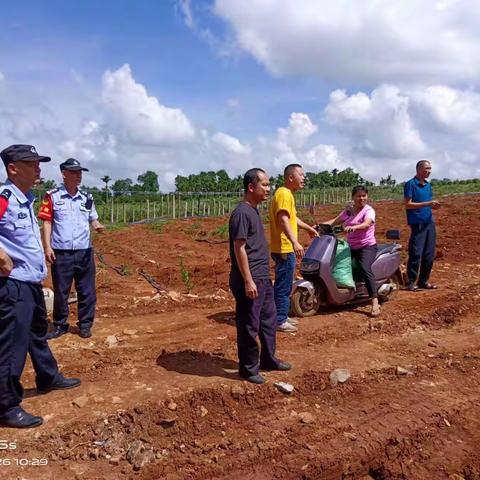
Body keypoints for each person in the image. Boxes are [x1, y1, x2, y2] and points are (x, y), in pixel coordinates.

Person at [0, 144, 81, 429]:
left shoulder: (26, 198)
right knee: (13, 345)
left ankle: (48, 376)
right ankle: (6, 406)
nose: (38, 168)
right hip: (12, 285)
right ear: (13, 168)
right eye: (32, 163)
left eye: (39, 162)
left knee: (37, 334)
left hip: (30, 282)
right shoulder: (4, 197)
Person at [229, 168, 291, 384]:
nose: (269, 189)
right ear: (251, 187)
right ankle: (248, 369)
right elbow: (240, 249)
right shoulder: (241, 213)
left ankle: (268, 359)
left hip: (262, 278)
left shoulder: (254, 211)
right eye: (265, 185)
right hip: (250, 279)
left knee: (268, 320)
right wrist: (248, 280)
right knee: (249, 325)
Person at [38, 158, 104, 339]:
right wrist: (47, 246)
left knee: (86, 290)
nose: (78, 176)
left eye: (80, 173)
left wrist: (97, 225)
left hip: (84, 251)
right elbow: (47, 222)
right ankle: (60, 325)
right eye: (74, 172)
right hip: (62, 252)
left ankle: (85, 324)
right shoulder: (52, 196)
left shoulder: (87, 197)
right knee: (61, 291)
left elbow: (93, 218)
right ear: (64, 174)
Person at [269, 164, 318, 333]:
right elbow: (283, 219)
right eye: (301, 175)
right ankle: (279, 320)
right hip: (284, 247)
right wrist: (295, 242)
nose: (304, 178)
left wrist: (308, 228)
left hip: (283, 246)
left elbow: (292, 218)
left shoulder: (286, 194)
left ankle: (281, 315)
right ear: (291, 178)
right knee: (283, 285)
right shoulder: (283, 194)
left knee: (284, 283)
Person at [320, 185, 380, 317]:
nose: (361, 198)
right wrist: (319, 226)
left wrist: (354, 227)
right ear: (353, 197)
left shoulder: (369, 210)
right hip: (351, 247)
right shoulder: (349, 211)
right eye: (358, 196)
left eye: (364, 195)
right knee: (333, 262)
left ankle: (374, 301)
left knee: (365, 268)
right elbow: (335, 221)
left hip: (367, 247)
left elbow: (367, 223)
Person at [404, 160, 440, 291]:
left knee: (429, 254)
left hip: (429, 222)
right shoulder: (410, 184)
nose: (429, 171)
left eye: (430, 168)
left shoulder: (428, 185)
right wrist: (428, 204)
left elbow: (428, 203)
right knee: (416, 253)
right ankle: (411, 282)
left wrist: (432, 206)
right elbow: (408, 204)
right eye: (426, 168)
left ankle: (423, 281)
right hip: (417, 223)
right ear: (418, 169)